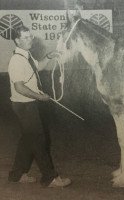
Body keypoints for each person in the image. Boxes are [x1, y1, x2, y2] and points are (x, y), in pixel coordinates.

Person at [8, 25, 71, 187]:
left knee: (28, 139)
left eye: (31, 37)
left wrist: (49, 56)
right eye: (26, 37)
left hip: (27, 104)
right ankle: (50, 178)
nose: (30, 40)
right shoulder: (16, 60)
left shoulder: (27, 55)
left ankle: (16, 175)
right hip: (25, 105)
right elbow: (19, 87)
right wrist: (40, 97)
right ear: (17, 40)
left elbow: (39, 67)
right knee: (39, 139)